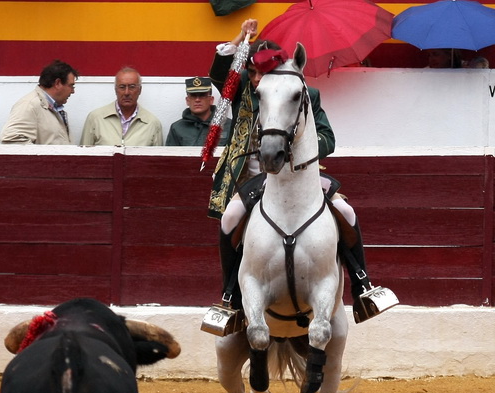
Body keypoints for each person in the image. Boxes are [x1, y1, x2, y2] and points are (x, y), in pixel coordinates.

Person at [206, 17, 395, 326]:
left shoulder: (306, 94)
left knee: (345, 211)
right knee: (230, 219)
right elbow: (218, 72)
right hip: (254, 179)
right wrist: (240, 38)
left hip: (300, 175)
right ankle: (230, 297)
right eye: (251, 72)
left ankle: (363, 285)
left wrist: (302, 147)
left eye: (260, 72)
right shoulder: (242, 92)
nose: (255, 79)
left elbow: (328, 138)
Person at [0, 60, 78, 145]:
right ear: (58, 83)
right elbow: (12, 139)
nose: (73, 91)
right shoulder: (29, 105)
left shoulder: (50, 106)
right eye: (71, 86)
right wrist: (42, 157)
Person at [80, 67, 163, 146]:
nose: (126, 93)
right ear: (115, 90)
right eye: (122, 87)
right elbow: (82, 156)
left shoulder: (152, 123)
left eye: (132, 87)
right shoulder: (95, 118)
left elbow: (158, 160)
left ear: (140, 90)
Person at [165, 76, 227, 147]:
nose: (197, 100)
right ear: (187, 101)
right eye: (193, 96)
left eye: (202, 95)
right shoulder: (177, 128)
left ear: (211, 100)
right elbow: (170, 157)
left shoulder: (228, 125)